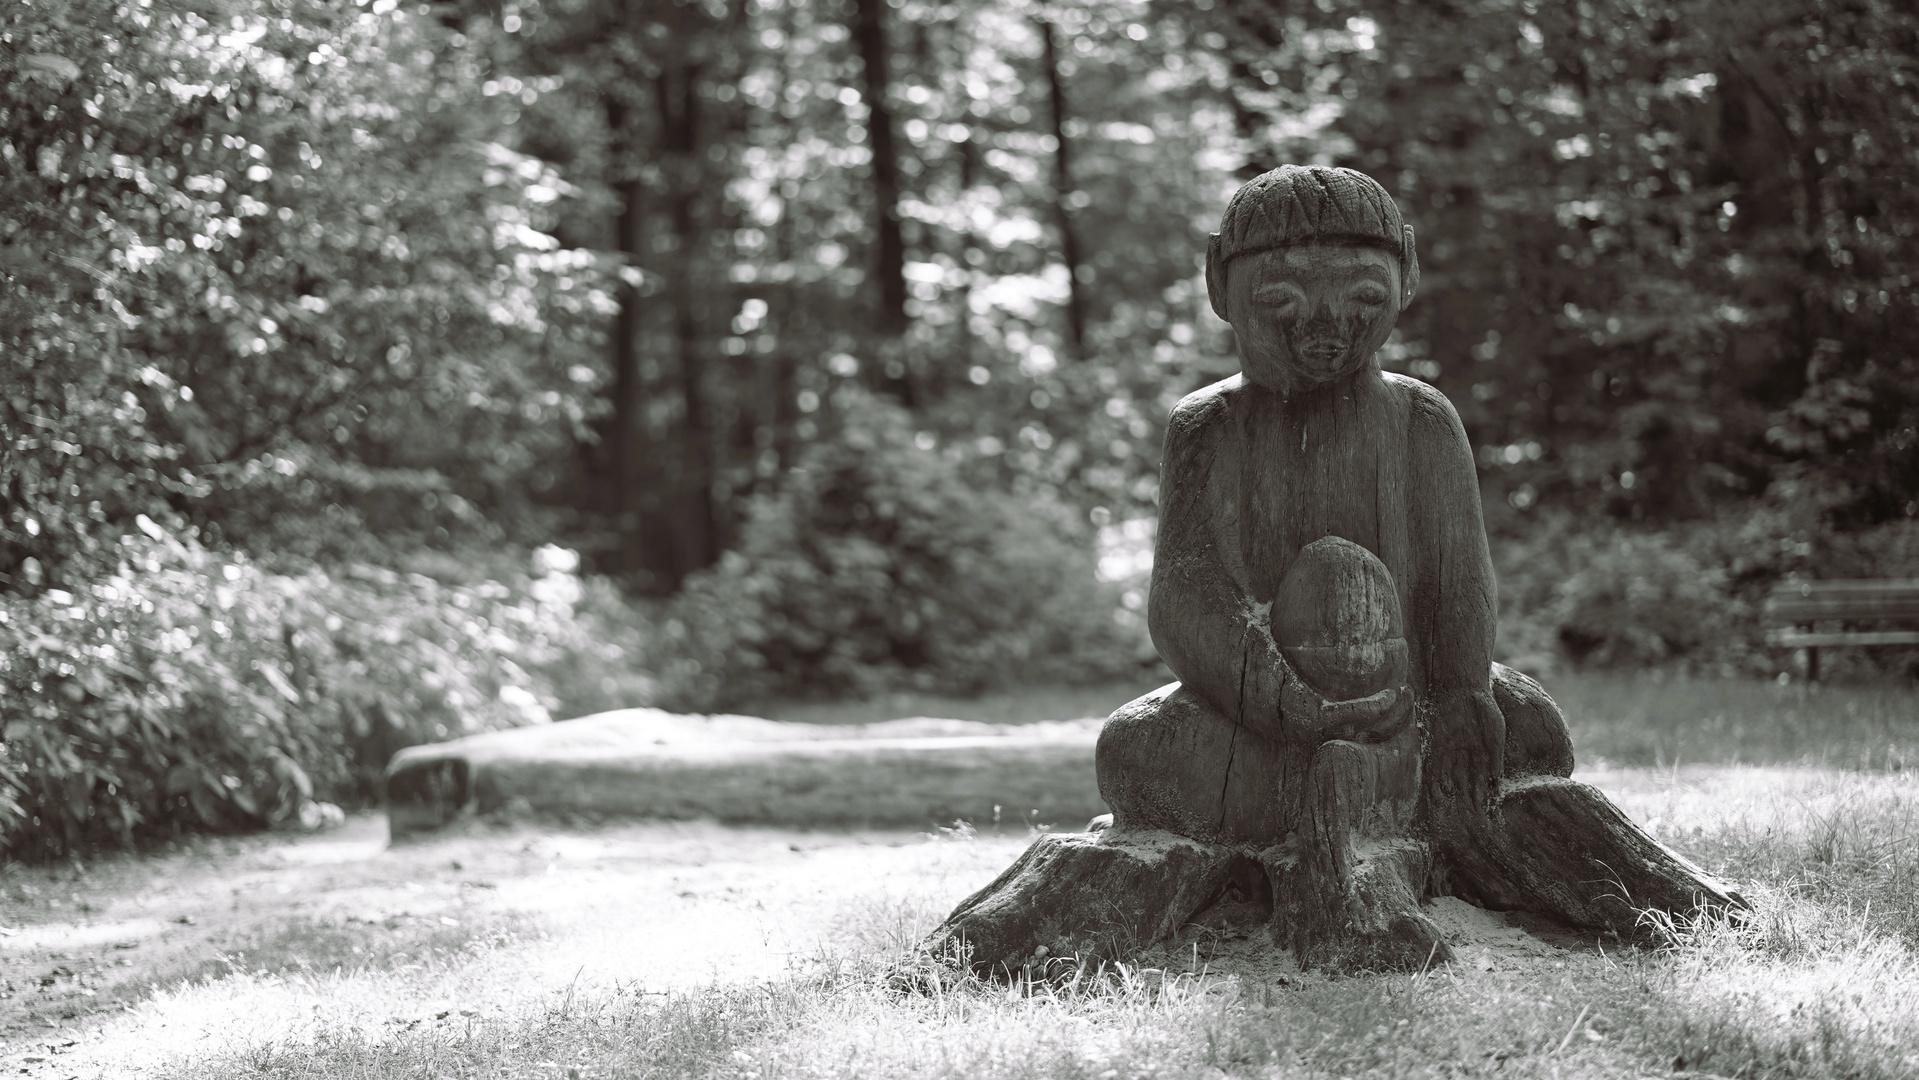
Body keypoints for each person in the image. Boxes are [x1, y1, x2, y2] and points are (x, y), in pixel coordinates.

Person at [1095, 165, 1572, 852]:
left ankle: (1391, 804)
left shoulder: (1419, 418)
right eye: (1281, 301)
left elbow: (1454, 584)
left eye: (1362, 296)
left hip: (1406, 696)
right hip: (1260, 708)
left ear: (1405, 274)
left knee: (1526, 727)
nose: (1324, 326)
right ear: (1216, 283)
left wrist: (1464, 697)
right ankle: (1297, 804)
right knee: (1135, 751)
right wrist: (1282, 700)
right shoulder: (1207, 423)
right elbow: (1185, 593)